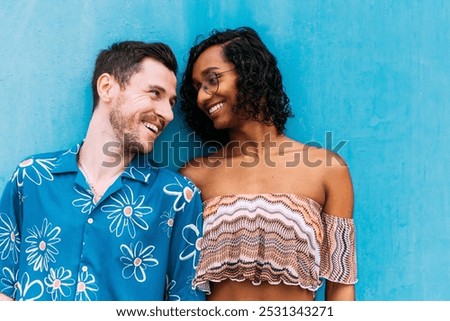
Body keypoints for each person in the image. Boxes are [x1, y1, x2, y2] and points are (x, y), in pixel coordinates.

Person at [0, 41, 204, 301]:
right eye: (155, 93)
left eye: (171, 102)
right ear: (107, 87)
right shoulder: (32, 179)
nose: (167, 113)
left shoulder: (177, 197)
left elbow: (187, 304)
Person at [179, 27, 357, 301]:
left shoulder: (328, 169)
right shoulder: (194, 176)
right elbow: (178, 283)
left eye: (212, 80)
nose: (202, 97)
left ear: (251, 72)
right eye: (197, 89)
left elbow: (341, 284)